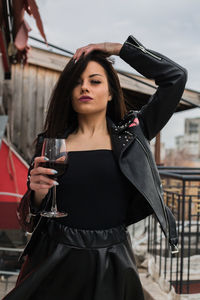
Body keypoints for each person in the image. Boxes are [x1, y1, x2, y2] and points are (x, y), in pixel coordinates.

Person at [4, 34, 187, 300]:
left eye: (95, 81)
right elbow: (33, 218)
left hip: (111, 262)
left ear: (111, 91)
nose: (85, 88)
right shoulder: (51, 142)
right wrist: (38, 193)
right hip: (54, 259)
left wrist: (116, 49)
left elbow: (176, 77)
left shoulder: (133, 135)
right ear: (68, 93)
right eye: (77, 82)